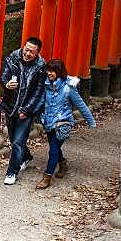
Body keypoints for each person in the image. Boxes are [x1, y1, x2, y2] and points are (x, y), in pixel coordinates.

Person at [36, 58, 96, 190]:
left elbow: (81, 105)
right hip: (48, 122)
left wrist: (91, 121)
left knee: (53, 150)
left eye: (52, 71)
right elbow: (40, 102)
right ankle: (63, 164)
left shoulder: (69, 87)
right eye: (48, 70)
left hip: (63, 123)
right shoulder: (46, 84)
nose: (49, 73)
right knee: (55, 148)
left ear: (59, 71)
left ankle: (47, 177)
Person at [0, 36, 46, 185]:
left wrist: (27, 110)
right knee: (14, 139)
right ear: (23, 47)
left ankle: (12, 172)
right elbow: (3, 75)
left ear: (37, 53)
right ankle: (26, 157)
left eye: (32, 52)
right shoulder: (12, 58)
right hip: (10, 106)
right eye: (26, 50)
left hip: (26, 110)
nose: (28, 54)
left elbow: (38, 92)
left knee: (18, 142)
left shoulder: (40, 66)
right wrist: (6, 84)